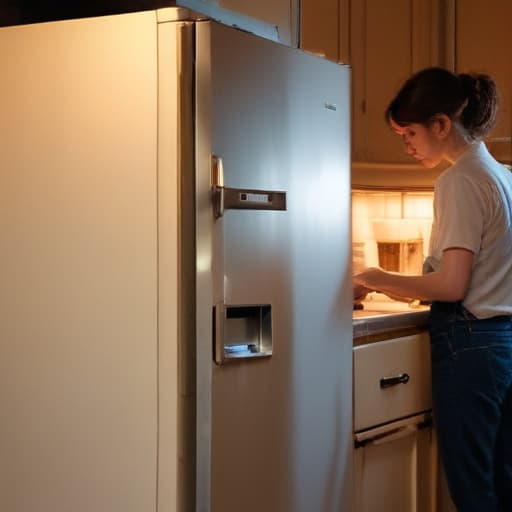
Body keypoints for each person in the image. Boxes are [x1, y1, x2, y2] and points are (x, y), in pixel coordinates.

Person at [353, 67, 512, 512]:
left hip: (471, 345)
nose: (406, 144)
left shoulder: (459, 181)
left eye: (409, 132)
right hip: (503, 342)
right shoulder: (502, 175)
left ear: (442, 124)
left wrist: (373, 276)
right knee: (502, 478)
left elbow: (452, 283)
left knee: (472, 485)